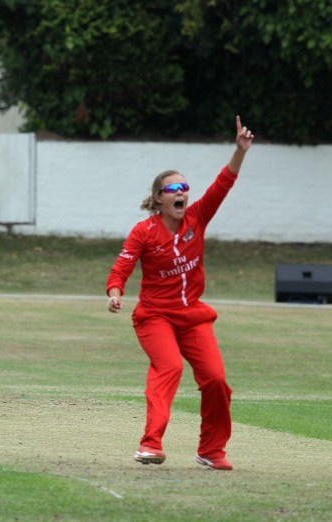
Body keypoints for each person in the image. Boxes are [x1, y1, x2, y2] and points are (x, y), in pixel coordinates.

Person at [106, 115, 253, 471]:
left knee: (216, 380)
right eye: (173, 189)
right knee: (169, 366)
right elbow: (122, 266)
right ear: (158, 198)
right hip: (154, 316)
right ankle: (150, 444)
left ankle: (211, 450)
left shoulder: (197, 218)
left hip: (192, 316)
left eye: (184, 187)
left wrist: (240, 151)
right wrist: (115, 291)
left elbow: (223, 183)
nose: (181, 193)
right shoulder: (144, 231)